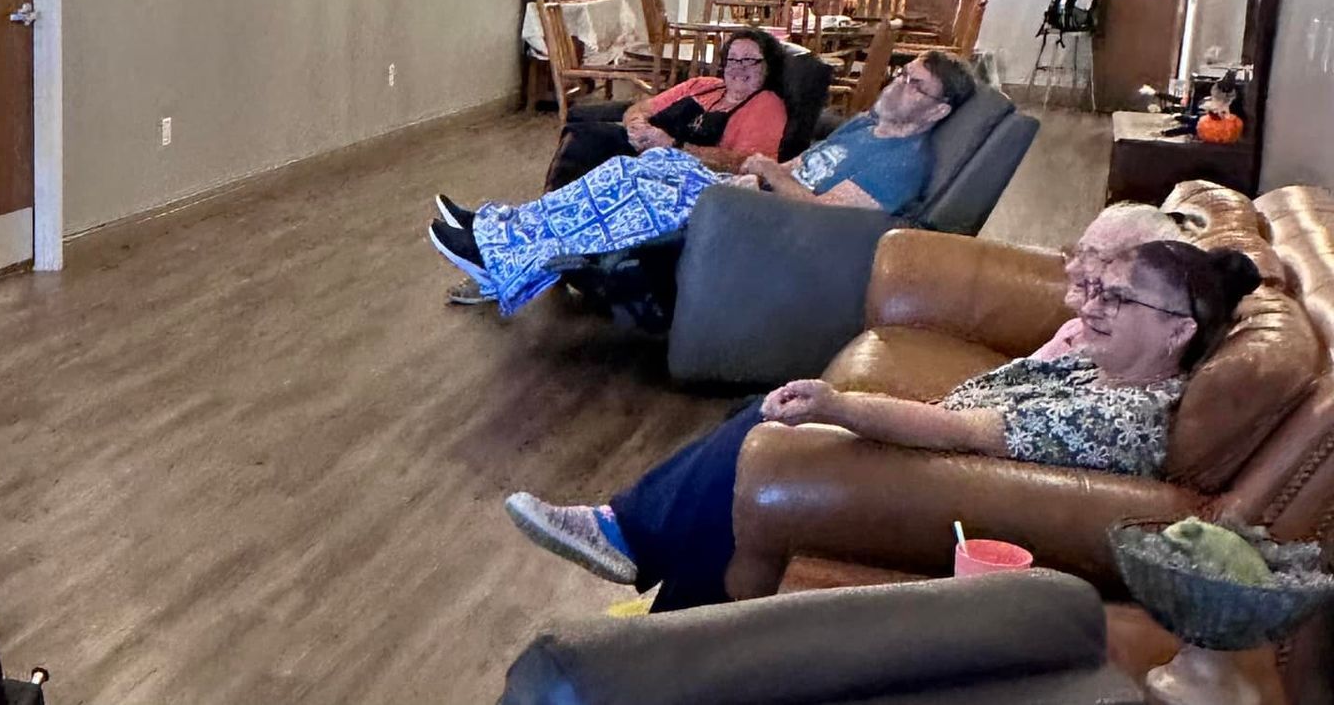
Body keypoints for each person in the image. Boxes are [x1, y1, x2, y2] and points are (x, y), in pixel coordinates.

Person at [503, 239, 1260, 612]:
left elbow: (965, 437)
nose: (1089, 307)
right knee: (755, 426)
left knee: (774, 433)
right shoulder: (1107, 365)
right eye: (1099, 289)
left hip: (960, 487)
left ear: (1177, 332)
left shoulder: (1117, 416)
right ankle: (666, 601)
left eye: (1117, 299)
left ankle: (630, 537)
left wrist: (842, 406)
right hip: (956, 449)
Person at [429, 52, 975, 315]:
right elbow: (812, 165)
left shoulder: (902, 161)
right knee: (626, 168)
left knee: (635, 194)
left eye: (914, 85)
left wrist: (765, 169)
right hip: (752, 192)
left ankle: (501, 255)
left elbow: (824, 213)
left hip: (765, 219)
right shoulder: (866, 124)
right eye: (901, 74)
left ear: (936, 110)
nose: (897, 85)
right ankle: (496, 229)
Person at [537, 28, 788, 192]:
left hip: (684, 173)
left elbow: (749, 163)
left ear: (768, 66)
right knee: (581, 134)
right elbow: (641, 107)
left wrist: (673, 146)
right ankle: (555, 209)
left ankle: (554, 214)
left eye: (749, 60)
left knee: (586, 142)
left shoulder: (766, 103)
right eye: (732, 59)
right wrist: (637, 125)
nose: (738, 67)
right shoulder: (703, 86)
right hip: (646, 151)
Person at [1035, 200, 1185, 360]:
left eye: (1093, 256)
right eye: (1079, 252)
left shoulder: (1130, 358)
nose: (1070, 268)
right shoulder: (1074, 329)